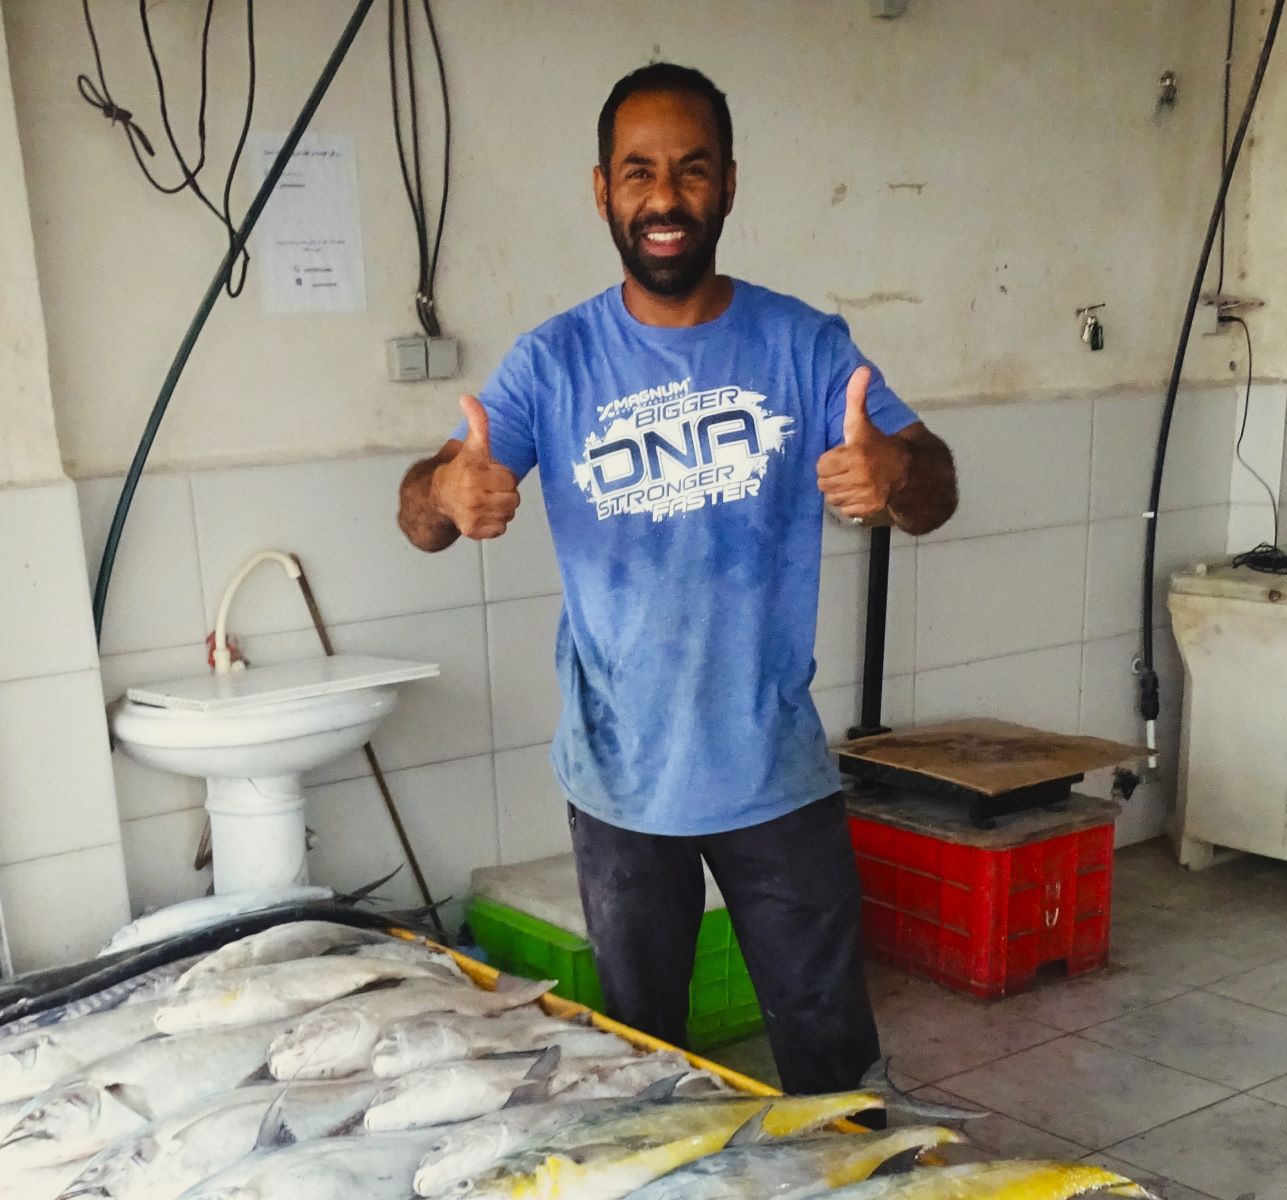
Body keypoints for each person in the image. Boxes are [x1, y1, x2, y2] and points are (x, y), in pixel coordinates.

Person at [397, 63, 957, 1093]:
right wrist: (446, 490)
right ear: (602, 189)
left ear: (729, 186)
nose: (664, 199)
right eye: (638, 172)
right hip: (619, 773)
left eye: (690, 172)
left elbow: (934, 484)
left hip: (769, 763)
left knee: (829, 1050)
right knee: (642, 1053)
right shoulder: (552, 361)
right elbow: (422, 515)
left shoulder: (803, 344)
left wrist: (896, 475)